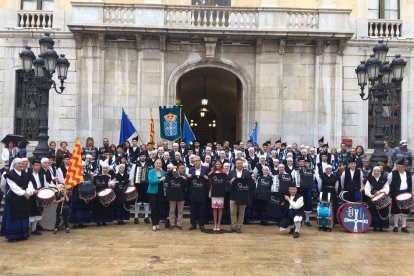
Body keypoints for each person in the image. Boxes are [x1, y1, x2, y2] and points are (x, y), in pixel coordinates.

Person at [2, 158, 34, 242]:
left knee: (23, 215)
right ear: (14, 164)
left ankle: (23, 234)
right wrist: (24, 193)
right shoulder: (9, 174)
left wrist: (28, 192)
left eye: (21, 163)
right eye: (18, 163)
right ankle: (13, 236)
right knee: (14, 216)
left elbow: (30, 184)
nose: (21, 165)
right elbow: (13, 186)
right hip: (14, 198)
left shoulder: (26, 174)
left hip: (24, 198)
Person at [228, 158, 254, 233]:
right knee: (233, 212)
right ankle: (233, 227)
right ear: (235, 164)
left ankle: (239, 227)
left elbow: (250, 184)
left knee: (241, 212)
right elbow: (226, 182)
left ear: (243, 164)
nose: (239, 164)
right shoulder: (231, 173)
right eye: (238, 163)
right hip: (233, 195)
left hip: (243, 196)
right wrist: (231, 181)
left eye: (241, 163)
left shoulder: (247, 173)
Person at [387, 160, 412, 233]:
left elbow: (410, 183)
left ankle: (404, 226)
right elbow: (388, 183)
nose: (398, 168)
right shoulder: (392, 173)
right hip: (396, 193)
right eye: (397, 166)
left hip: (406, 193)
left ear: (404, 167)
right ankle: (395, 226)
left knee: (405, 210)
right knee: (396, 210)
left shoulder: (408, 173)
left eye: (400, 167)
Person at [187, 156, 209, 232]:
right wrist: (188, 177)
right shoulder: (191, 169)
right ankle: (193, 224)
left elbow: (208, 180)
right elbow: (189, 182)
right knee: (193, 210)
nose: (195, 162)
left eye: (197, 161)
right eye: (194, 161)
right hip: (193, 192)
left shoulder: (205, 169)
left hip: (202, 193)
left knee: (202, 210)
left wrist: (207, 178)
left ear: (200, 161)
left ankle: (201, 224)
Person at [364, 166, 390, 232]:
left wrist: (380, 191)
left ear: (380, 172)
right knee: (374, 213)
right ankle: (375, 227)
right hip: (373, 198)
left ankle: (381, 227)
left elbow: (387, 189)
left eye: (378, 171)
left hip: (382, 198)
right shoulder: (370, 179)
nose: (376, 172)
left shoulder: (384, 179)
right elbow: (366, 189)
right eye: (375, 171)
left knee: (382, 212)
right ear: (373, 172)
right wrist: (370, 195)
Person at [291, 158, 315, 226]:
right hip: (299, 189)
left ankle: (307, 220)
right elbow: (292, 179)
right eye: (300, 161)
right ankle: (299, 219)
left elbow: (313, 179)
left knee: (308, 204)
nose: (302, 162)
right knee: (298, 204)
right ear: (298, 162)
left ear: (305, 163)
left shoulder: (310, 171)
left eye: (303, 161)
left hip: (308, 189)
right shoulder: (295, 170)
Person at [129, 151, 151, 224]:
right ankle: (136, 217)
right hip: (138, 185)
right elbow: (132, 174)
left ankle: (146, 217)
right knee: (137, 201)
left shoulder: (149, 164)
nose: (143, 157)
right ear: (139, 157)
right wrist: (132, 184)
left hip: (146, 184)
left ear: (146, 157)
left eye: (144, 156)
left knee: (146, 202)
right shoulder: (135, 164)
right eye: (141, 156)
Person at [166, 163, 186, 230]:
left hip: (181, 196)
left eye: (183, 168)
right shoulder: (173, 173)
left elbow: (187, 184)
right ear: (177, 168)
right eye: (180, 168)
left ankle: (179, 224)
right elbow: (167, 175)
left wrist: (185, 178)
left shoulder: (185, 175)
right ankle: (172, 224)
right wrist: (171, 169)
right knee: (172, 211)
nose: (182, 169)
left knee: (180, 211)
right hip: (172, 195)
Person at [147, 159, 166, 231]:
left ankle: (157, 223)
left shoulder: (163, 172)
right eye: (157, 163)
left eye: (159, 163)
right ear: (154, 164)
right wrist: (160, 180)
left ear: (161, 165)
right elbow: (151, 181)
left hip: (161, 192)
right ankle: (154, 224)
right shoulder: (151, 171)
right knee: (154, 209)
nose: (158, 164)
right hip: (152, 192)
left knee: (159, 209)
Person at [209, 161, 227, 232]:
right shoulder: (212, 173)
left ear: (221, 165)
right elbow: (209, 180)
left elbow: (226, 180)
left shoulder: (224, 173)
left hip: (221, 192)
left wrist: (226, 173)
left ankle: (219, 224)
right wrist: (209, 174)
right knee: (214, 209)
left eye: (219, 164)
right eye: (216, 164)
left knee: (220, 209)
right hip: (214, 192)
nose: (217, 165)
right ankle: (215, 224)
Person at [28, 159, 45, 235]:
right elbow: (28, 185)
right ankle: (28, 229)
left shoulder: (42, 175)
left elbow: (44, 184)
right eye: (36, 165)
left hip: (40, 194)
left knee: (38, 212)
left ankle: (34, 229)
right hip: (32, 194)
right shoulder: (29, 174)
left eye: (39, 165)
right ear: (32, 166)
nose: (38, 167)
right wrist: (33, 191)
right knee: (31, 212)